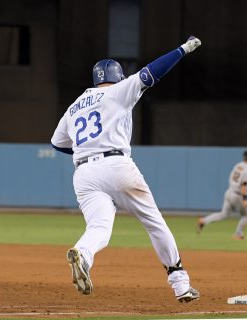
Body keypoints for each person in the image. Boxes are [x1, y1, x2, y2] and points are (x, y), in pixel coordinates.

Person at [51, 36, 201, 302]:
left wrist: (88, 150)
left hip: (83, 173)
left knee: (99, 228)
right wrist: (182, 49)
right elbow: (151, 72)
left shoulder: (74, 107)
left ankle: (82, 254)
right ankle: (180, 284)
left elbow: (58, 143)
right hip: (116, 165)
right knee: (155, 224)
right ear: (117, 77)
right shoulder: (118, 91)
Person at [197, 150, 247, 240]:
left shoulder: (238, 165)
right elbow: (244, 185)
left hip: (229, 192)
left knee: (223, 214)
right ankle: (238, 234)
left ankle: (204, 220)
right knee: (246, 215)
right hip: (237, 195)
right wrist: (244, 199)